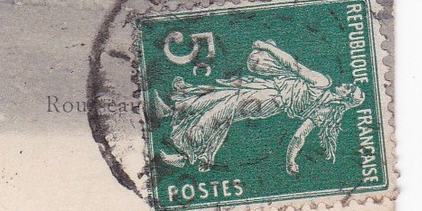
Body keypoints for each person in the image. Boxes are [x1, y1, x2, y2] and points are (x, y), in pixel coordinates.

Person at [156, 40, 366, 176]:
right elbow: (299, 137)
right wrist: (290, 160)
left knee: (218, 113)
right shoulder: (324, 112)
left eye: (349, 88)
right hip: (268, 92)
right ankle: (172, 111)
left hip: (269, 97)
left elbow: (293, 65)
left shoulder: (322, 82)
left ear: (345, 97)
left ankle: (183, 154)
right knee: (216, 95)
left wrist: (268, 48)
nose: (346, 84)